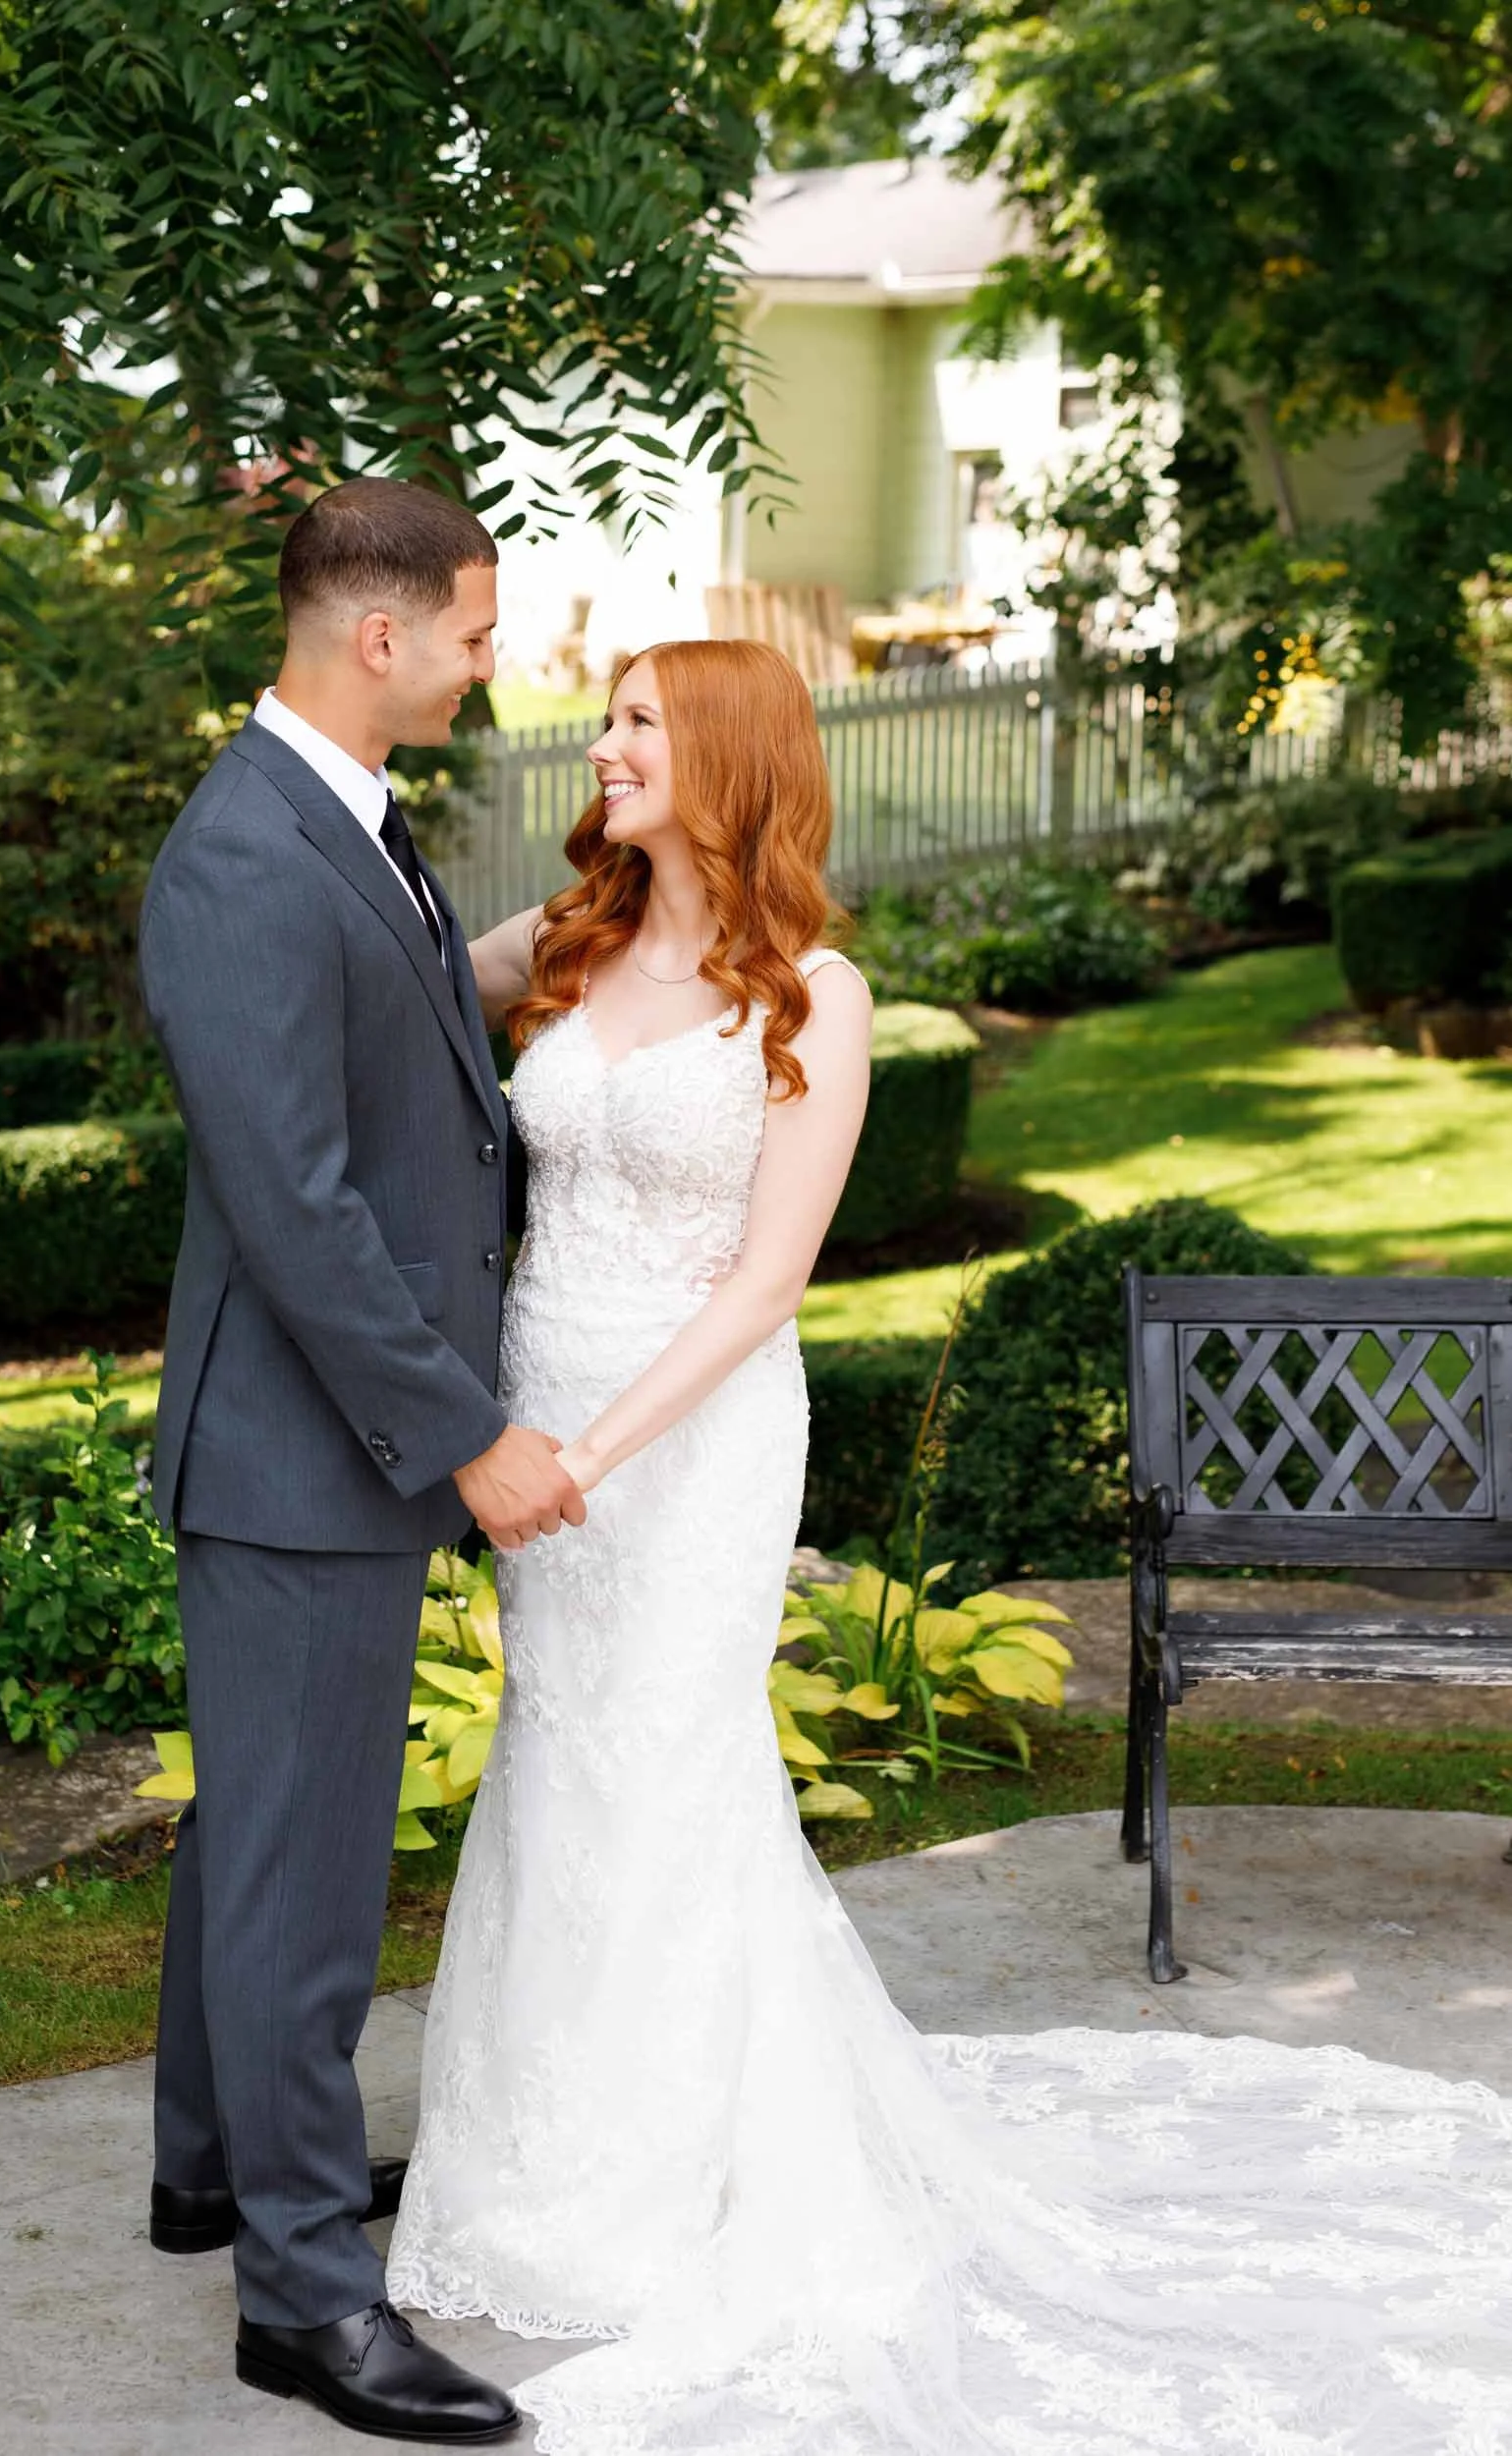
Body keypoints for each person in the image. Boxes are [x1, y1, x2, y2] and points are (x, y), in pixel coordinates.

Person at [385, 638, 1512, 2453]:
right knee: (562, 1772)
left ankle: (677, 2191)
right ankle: (533, 2178)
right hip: (537, 1421)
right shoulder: (570, 940)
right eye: (608, 719)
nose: (602, 746)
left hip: (678, 1440)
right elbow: (408, 980)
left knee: (668, 1778)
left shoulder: (814, 997)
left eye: (639, 723)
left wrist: (587, 1447)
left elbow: (765, 1285)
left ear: (732, 755)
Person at [138, 475, 583, 2444]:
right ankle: (305, 2295)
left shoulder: (339, 818)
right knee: (304, 1875)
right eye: (479, 633)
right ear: (378, 634)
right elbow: (300, 1212)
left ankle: (209, 2165)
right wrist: (468, 1432)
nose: (494, 666)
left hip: (312, 1451)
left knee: (259, 1824)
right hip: (302, 1457)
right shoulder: (243, 852)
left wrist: (480, 975)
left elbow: (366, 1067)